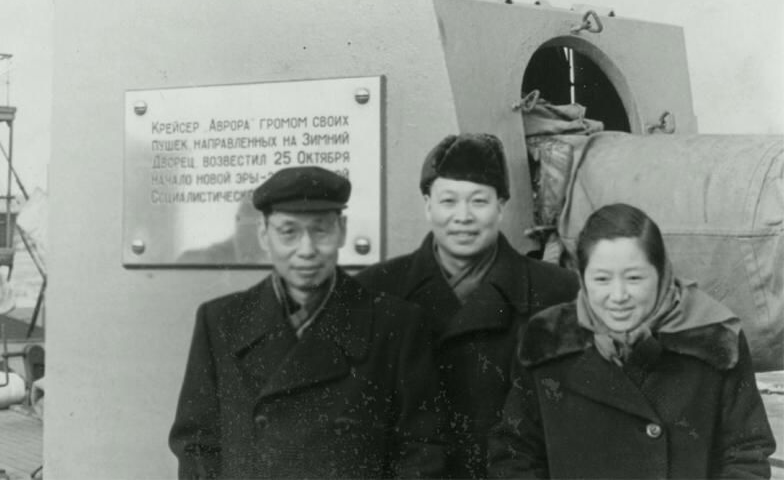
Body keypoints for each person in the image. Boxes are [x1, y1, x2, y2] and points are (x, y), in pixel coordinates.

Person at [169, 166, 446, 479]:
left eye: (320, 231)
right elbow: (196, 445)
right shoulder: (221, 321)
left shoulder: (395, 324)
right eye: (288, 232)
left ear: (342, 230)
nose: (306, 250)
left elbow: (421, 452)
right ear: (264, 235)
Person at [488, 203, 776, 479]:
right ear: (582, 279)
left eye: (635, 278)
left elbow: (746, 454)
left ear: (661, 273)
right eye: (602, 279)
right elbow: (514, 454)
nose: (618, 296)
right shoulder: (549, 341)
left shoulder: (714, 340)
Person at [356, 133, 579, 478]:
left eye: (478, 201)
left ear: (501, 206)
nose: (463, 216)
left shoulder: (557, 290)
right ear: (428, 205)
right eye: (448, 201)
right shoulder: (377, 289)